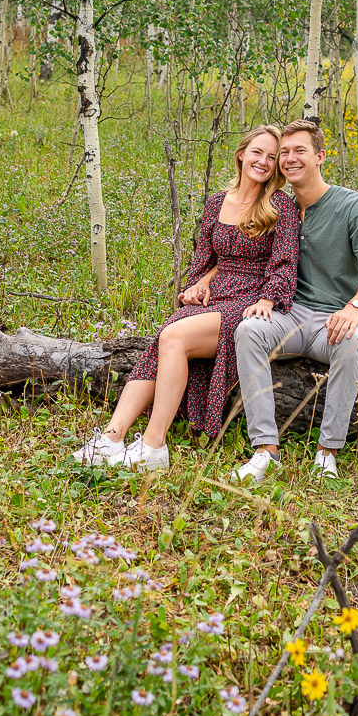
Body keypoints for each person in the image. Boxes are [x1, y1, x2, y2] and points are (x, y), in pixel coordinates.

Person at [72, 125, 300, 470]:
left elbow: (284, 263)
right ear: (241, 154)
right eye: (257, 152)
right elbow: (205, 262)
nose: (264, 161)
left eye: (272, 157)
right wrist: (197, 286)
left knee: (174, 335)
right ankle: (111, 438)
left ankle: (153, 445)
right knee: (164, 339)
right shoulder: (216, 203)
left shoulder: (280, 204)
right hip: (217, 296)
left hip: (251, 301)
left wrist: (267, 299)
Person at [232, 118, 358, 483]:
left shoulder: (353, 206)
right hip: (291, 314)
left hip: (337, 317)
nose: (289, 158)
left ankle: (327, 452)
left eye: (299, 150)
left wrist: (354, 308)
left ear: (320, 156)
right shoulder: (277, 208)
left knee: (351, 341)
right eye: (283, 152)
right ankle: (265, 450)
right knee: (249, 331)